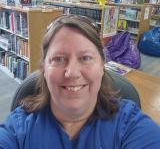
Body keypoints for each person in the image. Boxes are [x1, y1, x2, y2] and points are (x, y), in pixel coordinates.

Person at [0, 14, 160, 149]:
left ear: (102, 65)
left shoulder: (129, 124)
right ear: (44, 68)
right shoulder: (18, 129)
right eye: (59, 59)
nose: (72, 73)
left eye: (85, 58)